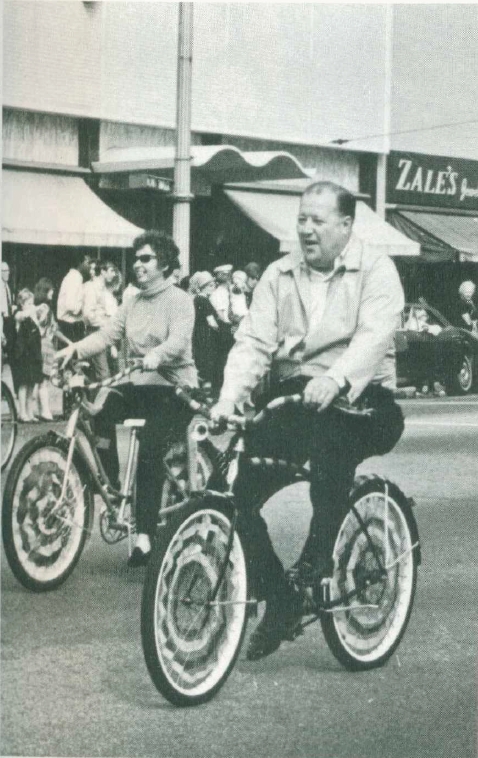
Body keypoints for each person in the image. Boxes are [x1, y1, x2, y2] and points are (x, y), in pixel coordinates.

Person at [211, 181, 405, 661]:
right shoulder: (278, 274)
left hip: (364, 399)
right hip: (296, 399)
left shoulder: (377, 269)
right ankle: (280, 596)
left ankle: (317, 563)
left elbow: (374, 336)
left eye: (318, 220)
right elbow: (253, 341)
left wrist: (335, 379)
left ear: (346, 225)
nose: (307, 229)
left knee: (332, 442)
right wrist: (229, 398)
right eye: (302, 218)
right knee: (235, 490)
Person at [55, 230, 197, 567]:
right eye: (136, 258)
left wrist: (158, 355)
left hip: (174, 387)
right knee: (100, 407)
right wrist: (75, 349)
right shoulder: (131, 301)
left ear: (165, 263)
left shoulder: (180, 300)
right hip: (140, 385)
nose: (137, 264)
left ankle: (145, 536)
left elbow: (179, 340)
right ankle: (112, 484)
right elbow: (107, 334)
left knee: (150, 446)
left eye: (146, 258)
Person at [82, 260, 119, 380]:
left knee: (109, 372)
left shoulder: (102, 289)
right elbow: (88, 314)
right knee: (104, 374)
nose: (114, 274)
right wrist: (104, 323)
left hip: (103, 332)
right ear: (103, 271)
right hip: (95, 332)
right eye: (111, 271)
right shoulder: (92, 287)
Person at [12, 288, 43, 422]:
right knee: (23, 384)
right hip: (23, 354)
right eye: (28, 303)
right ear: (22, 304)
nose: (31, 305)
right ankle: (22, 412)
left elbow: (39, 331)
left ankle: (30, 412)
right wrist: (35, 309)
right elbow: (22, 316)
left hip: (33, 353)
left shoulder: (33, 316)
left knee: (32, 384)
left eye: (32, 303)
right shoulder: (19, 314)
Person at [188, 271, 220, 392]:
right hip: (205, 335)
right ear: (203, 287)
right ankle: (206, 389)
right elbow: (212, 322)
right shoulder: (203, 300)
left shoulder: (197, 299)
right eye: (210, 285)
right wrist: (222, 330)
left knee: (200, 359)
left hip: (198, 333)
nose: (213, 287)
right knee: (206, 360)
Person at [33, 277, 57, 420]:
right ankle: (45, 411)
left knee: (40, 380)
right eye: (51, 290)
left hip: (40, 344)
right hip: (45, 344)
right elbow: (41, 323)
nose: (53, 292)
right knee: (44, 381)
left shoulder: (38, 306)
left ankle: (39, 410)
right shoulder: (45, 308)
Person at [56, 254, 93, 343]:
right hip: (69, 326)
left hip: (70, 325)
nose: (90, 266)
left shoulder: (76, 277)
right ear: (80, 263)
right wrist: (83, 308)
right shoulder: (74, 277)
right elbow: (70, 306)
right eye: (88, 262)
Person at [1, 260, 16, 363]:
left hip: (8, 318)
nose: (8, 273)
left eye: (8, 271)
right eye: (4, 271)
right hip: (3, 319)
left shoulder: (6, 285)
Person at [229, 270, 249, 335]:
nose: (235, 280)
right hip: (237, 313)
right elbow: (237, 290)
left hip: (243, 312)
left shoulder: (243, 287)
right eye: (234, 278)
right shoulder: (234, 288)